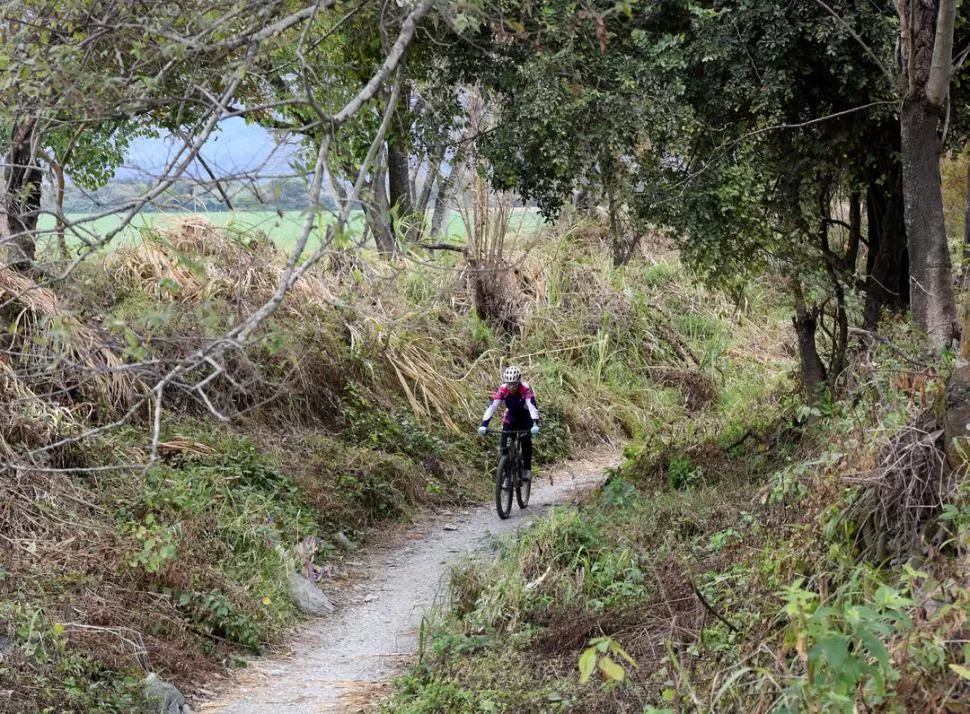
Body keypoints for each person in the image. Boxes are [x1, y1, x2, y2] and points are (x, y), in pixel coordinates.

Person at [478, 366, 540, 481]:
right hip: (510, 418)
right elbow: (492, 407)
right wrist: (484, 424)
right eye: (509, 384)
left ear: (519, 381)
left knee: (526, 441)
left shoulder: (525, 388)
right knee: (503, 448)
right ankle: (507, 474)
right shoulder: (503, 389)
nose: (511, 388)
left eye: (514, 385)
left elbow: (532, 406)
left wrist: (535, 423)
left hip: (525, 417)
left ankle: (527, 469)